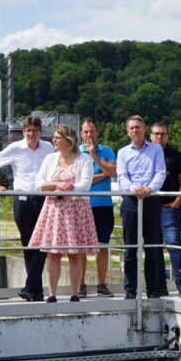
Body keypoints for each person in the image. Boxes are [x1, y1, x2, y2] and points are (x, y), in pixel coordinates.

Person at [29, 124, 97, 302]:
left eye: (58, 137)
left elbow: (85, 184)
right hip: (54, 209)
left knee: (74, 254)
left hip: (75, 210)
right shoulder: (51, 159)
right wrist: (56, 185)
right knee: (53, 254)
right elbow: (39, 183)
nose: (54, 140)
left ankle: (75, 293)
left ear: (68, 140)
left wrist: (67, 189)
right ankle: (52, 294)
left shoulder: (84, 159)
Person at [0, 116, 54, 302]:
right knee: (28, 244)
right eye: (27, 130)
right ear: (23, 131)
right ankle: (36, 290)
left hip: (43, 199)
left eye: (34, 130)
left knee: (42, 244)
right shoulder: (15, 148)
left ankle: (30, 287)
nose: (31, 133)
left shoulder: (49, 148)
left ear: (40, 132)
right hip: (22, 200)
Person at [116, 115, 168, 299]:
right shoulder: (122, 152)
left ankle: (153, 290)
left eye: (138, 127)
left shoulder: (155, 149)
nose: (135, 131)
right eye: (131, 128)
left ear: (144, 128)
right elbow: (121, 176)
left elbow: (161, 172)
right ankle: (131, 291)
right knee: (130, 249)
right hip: (131, 201)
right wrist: (133, 188)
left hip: (151, 200)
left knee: (153, 248)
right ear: (127, 131)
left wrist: (150, 188)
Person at [150, 122, 181, 299]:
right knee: (154, 248)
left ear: (167, 136)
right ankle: (160, 287)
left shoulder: (175, 156)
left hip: (169, 208)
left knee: (174, 245)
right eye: (157, 134)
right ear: (151, 135)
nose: (160, 137)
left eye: (163, 134)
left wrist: (177, 201)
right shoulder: (146, 154)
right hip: (151, 207)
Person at [77, 118, 117, 297]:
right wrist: (102, 174)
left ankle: (101, 284)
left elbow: (114, 172)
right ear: (80, 133)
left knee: (102, 247)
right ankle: (81, 284)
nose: (88, 135)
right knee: (81, 248)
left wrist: (94, 156)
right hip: (81, 205)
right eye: (85, 131)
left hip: (103, 205)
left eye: (91, 131)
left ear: (97, 132)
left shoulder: (106, 151)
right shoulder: (75, 152)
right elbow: (77, 180)